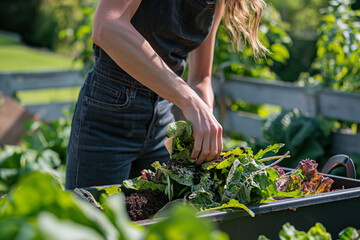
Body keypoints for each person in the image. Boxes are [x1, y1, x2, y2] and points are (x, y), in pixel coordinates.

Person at [65, 0, 267, 190]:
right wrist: (189, 101)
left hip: (162, 124)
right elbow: (107, 27)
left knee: (159, 224)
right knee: (95, 223)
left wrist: (204, 123)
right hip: (108, 114)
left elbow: (200, 79)